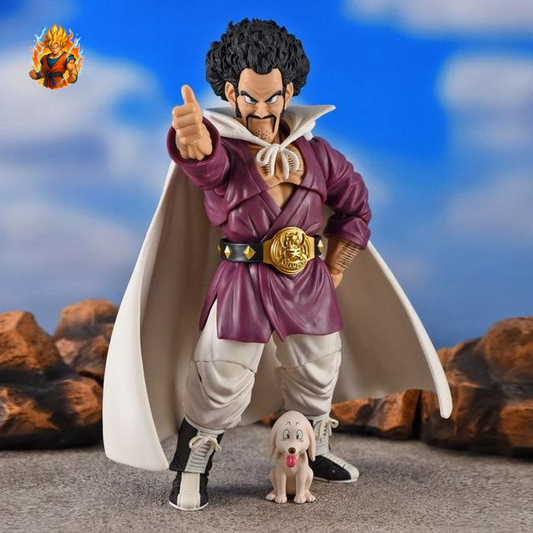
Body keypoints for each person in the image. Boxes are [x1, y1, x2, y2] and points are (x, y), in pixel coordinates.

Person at [102, 18, 452, 512]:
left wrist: (337, 266)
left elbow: (355, 210)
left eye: (272, 97)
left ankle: (314, 448)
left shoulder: (319, 155)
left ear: (289, 91)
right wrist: (192, 143)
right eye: (249, 97)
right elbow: (207, 166)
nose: (262, 110)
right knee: (221, 377)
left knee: (317, 373)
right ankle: (194, 462)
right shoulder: (224, 149)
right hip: (243, 280)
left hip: (307, 280)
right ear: (231, 92)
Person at [29, 23, 78, 89]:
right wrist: (36, 75)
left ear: (61, 45)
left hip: (59, 86)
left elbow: (72, 70)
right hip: (46, 86)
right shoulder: (45, 58)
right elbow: (43, 72)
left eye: (56, 47)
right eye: (51, 47)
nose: (53, 50)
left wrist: (73, 76)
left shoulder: (66, 57)